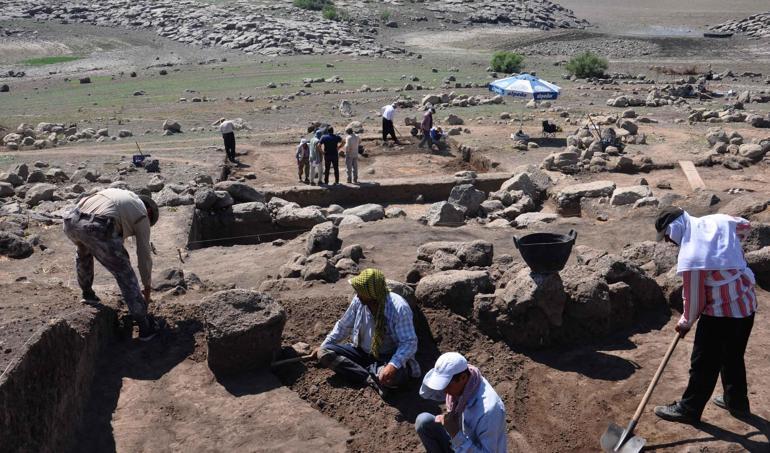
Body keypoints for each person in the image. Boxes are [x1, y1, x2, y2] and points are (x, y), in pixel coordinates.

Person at [653, 207, 758, 423]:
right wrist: (728, 251)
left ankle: (689, 409)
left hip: (720, 313)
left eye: (667, 237)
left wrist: (685, 323)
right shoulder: (717, 221)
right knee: (732, 357)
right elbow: (745, 226)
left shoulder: (692, 254)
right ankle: (737, 403)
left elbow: (695, 301)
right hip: (746, 303)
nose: (667, 242)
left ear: (674, 229)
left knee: (703, 362)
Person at [63, 188, 164, 341]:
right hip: (97, 227)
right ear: (149, 213)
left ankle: (87, 294)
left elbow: (112, 230)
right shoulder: (142, 214)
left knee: (83, 253)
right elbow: (144, 255)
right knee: (124, 272)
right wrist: (147, 285)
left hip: (71, 221)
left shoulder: (121, 197)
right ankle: (144, 325)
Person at [313, 268, 420, 397]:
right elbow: (343, 326)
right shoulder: (359, 301)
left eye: (361, 291)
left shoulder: (398, 308)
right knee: (324, 352)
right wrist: (324, 345)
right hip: (360, 352)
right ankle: (369, 378)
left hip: (387, 357)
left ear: (372, 293)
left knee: (393, 377)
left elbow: (409, 343)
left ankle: (363, 373)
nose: (357, 295)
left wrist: (393, 365)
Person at [415, 352, 507, 453]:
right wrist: (450, 424)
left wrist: (455, 434)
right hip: (459, 443)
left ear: (463, 377)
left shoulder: (489, 411)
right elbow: (427, 392)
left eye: (447, 385)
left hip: (467, 447)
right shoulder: (466, 382)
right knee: (423, 421)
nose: (444, 391)